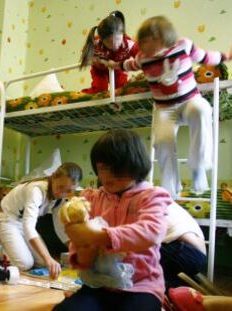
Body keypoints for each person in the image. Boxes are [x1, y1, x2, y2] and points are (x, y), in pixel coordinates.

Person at [54, 129, 171, 311]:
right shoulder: (91, 198)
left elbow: (152, 231)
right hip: (98, 285)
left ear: (136, 164)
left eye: (117, 168)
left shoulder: (152, 196)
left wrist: (97, 236)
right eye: (102, 168)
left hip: (141, 287)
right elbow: (82, 254)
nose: (108, 176)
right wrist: (82, 247)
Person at [116, 16, 231, 197]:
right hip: (164, 109)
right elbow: (127, 65)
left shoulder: (183, 45)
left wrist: (226, 56)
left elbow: (206, 57)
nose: (143, 45)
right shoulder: (142, 58)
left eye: (148, 40)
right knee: (162, 142)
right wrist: (112, 64)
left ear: (162, 38)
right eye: (142, 41)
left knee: (202, 109)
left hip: (189, 101)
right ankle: (171, 188)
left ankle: (198, 167)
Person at [0, 163, 83, 279]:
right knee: (25, 264)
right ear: (53, 178)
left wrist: (74, 249)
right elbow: (29, 227)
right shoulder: (36, 190)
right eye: (60, 187)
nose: (62, 193)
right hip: (7, 219)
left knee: (42, 263)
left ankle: (13, 245)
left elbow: (60, 229)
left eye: (68, 191)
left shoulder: (60, 199)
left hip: (23, 223)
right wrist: (49, 259)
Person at [80, 11, 138, 94]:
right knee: (99, 90)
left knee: (121, 91)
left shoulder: (129, 44)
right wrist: (93, 58)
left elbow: (142, 57)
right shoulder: (96, 43)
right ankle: (82, 97)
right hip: (100, 70)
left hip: (119, 70)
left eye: (118, 39)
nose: (114, 44)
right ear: (102, 40)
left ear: (123, 34)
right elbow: (85, 51)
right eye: (109, 42)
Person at [161, 201, 207, 290]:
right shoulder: (161, 197)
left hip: (181, 251)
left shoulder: (137, 200)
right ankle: (176, 287)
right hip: (199, 255)